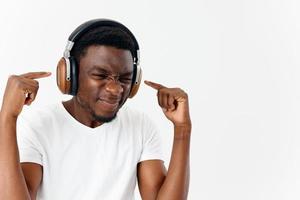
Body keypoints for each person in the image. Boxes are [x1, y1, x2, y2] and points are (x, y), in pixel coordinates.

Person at [0, 19, 191, 200]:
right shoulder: (38, 125)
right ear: (69, 75)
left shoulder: (140, 125)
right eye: (100, 75)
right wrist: (7, 117)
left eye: (125, 79)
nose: (115, 89)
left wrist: (182, 129)